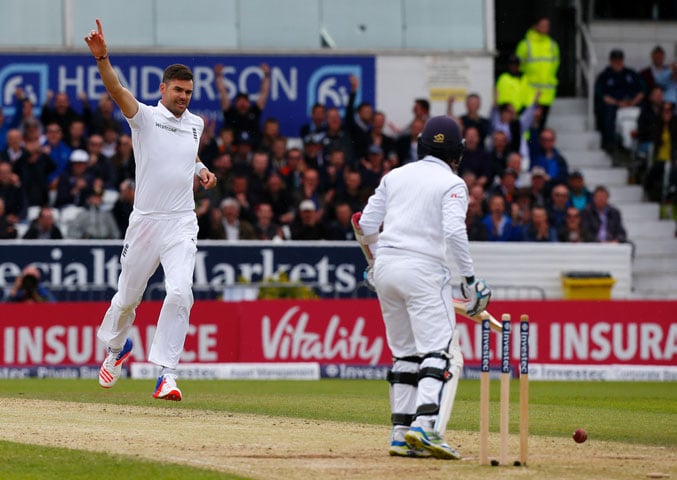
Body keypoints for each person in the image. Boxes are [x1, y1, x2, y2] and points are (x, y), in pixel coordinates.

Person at [84, 19, 217, 401]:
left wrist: (201, 169)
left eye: (189, 92)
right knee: (128, 298)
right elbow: (115, 88)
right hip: (145, 222)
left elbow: (186, 156)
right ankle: (115, 349)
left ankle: (167, 374)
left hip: (181, 223)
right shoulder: (144, 117)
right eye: (178, 90)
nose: (184, 97)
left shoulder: (196, 124)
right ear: (163, 89)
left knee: (180, 292)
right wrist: (103, 58)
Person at [356, 116, 491, 459]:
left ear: (421, 144)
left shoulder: (395, 175)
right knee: (438, 352)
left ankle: (401, 433)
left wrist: (374, 264)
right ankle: (425, 426)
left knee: (405, 353)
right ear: (458, 152)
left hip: (386, 267)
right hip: (424, 271)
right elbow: (454, 233)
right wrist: (471, 282)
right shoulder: (453, 184)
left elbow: (366, 224)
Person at [594, 49, 645, 152]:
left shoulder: (631, 73)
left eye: (620, 60)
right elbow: (601, 95)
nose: (618, 62)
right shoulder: (604, 76)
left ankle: (642, 143)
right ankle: (610, 145)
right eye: (615, 60)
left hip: (632, 104)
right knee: (607, 112)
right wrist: (617, 103)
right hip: (614, 105)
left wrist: (632, 102)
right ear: (610, 61)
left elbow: (642, 90)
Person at [515, 16, 559, 130]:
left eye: (547, 25)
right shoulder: (525, 45)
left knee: (541, 127)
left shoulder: (553, 45)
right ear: (535, 26)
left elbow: (555, 66)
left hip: (547, 93)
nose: (546, 28)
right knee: (527, 125)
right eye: (543, 25)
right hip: (529, 92)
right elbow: (519, 67)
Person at [214, 62, 270, 149]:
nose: (243, 104)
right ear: (235, 103)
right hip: (233, 149)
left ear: (249, 103)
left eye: (245, 101)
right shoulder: (230, 113)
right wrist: (218, 76)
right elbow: (223, 93)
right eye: (240, 101)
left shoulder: (255, 111)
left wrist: (266, 75)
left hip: (254, 149)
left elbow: (264, 93)